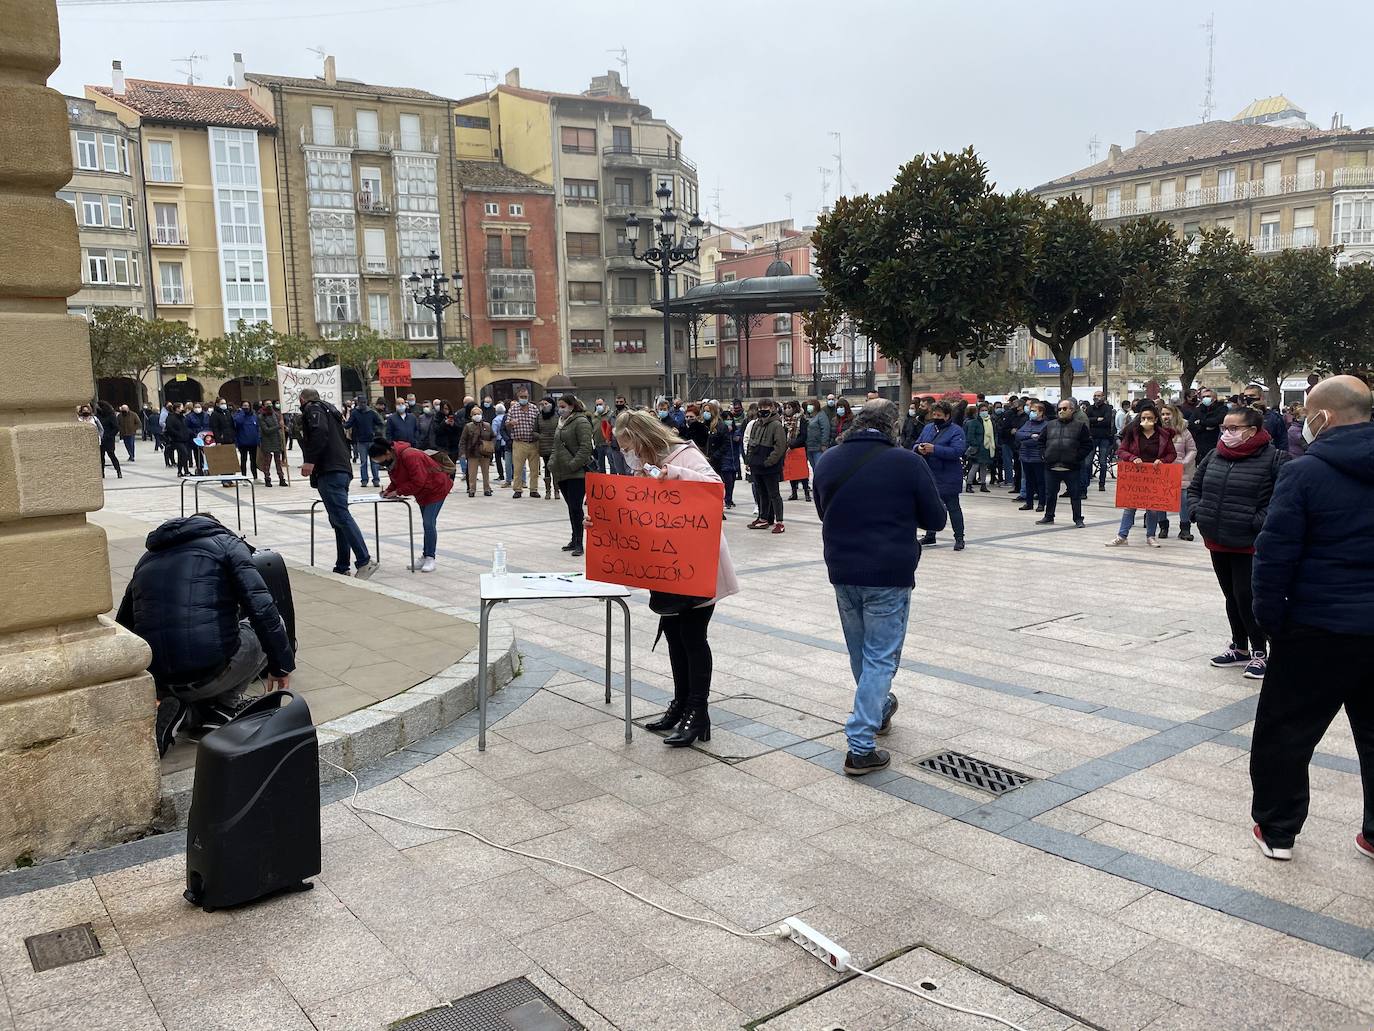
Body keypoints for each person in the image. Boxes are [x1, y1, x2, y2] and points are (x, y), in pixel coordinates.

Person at [1248, 376, 1374, 862]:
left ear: (1323, 417)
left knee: (1286, 732)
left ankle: (1278, 830)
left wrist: (1270, 620)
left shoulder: (1304, 473)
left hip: (1317, 626)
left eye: (1307, 413)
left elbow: (1273, 555)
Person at [814, 400, 946, 776]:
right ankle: (860, 745)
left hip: (842, 568)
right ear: (893, 425)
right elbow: (935, 517)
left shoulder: (828, 460)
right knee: (880, 656)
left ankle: (880, 707)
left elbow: (825, 510)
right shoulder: (906, 462)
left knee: (861, 651)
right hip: (888, 571)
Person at [608, 408, 739, 747]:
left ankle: (698, 712)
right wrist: (604, 523)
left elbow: (716, 489)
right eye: (622, 448)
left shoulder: (685, 454)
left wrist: (675, 473)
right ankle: (681, 705)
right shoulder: (638, 468)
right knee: (674, 635)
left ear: (643, 440)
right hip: (665, 565)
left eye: (628, 446)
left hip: (696, 562)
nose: (627, 454)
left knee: (694, 637)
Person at [116, 513, 294, 756]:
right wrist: (281, 665)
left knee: (198, 655)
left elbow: (124, 625)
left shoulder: (147, 558)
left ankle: (186, 713)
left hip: (160, 680)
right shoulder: (227, 545)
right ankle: (224, 707)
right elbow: (263, 610)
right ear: (216, 525)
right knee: (268, 624)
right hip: (209, 673)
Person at [1185, 405, 1286, 681]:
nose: (1226, 433)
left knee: (1247, 597)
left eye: (1233, 429)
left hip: (1249, 544)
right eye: (1223, 428)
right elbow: (1195, 487)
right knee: (1231, 596)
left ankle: (1260, 652)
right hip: (1217, 539)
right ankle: (1239, 646)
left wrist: (1256, 521)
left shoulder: (1275, 459)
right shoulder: (1216, 454)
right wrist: (1198, 512)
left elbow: (1281, 501)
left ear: (1252, 431)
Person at [299, 387, 377, 579]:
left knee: (341, 516)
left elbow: (319, 432)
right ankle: (342, 565)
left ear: (302, 400)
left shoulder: (313, 409)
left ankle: (364, 560)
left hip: (330, 470)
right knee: (337, 519)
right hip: (341, 469)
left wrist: (310, 460)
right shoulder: (331, 411)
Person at [369, 438, 452, 573]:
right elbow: (397, 480)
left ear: (387, 452)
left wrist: (398, 492)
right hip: (423, 493)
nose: (382, 464)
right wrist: (388, 491)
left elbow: (418, 480)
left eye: (381, 460)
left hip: (436, 488)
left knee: (428, 523)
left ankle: (430, 557)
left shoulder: (409, 455)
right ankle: (425, 555)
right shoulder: (393, 461)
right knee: (427, 523)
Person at [1106, 403, 1176, 548]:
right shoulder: (1133, 433)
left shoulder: (1164, 435)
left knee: (1153, 508)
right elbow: (1121, 451)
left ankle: (1151, 536)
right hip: (1136, 476)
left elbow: (1172, 454)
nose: (1146, 421)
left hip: (1155, 476)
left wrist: (1162, 460)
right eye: (1143, 418)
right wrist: (1132, 458)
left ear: (1156, 419)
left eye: (1150, 418)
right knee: (1130, 507)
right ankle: (1122, 536)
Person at [913, 401, 966, 549]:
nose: (936, 417)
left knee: (953, 507)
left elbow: (957, 451)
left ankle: (959, 538)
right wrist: (919, 448)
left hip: (948, 475)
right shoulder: (929, 428)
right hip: (930, 473)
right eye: (934, 414)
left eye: (939, 415)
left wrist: (934, 449)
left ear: (947, 416)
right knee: (930, 505)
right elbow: (916, 443)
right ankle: (930, 535)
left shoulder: (956, 431)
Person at [549, 394, 594, 554]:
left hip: (577, 473)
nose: (560, 409)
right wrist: (552, 463)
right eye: (559, 406)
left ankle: (580, 543)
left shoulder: (581, 422)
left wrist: (573, 464)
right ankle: (574, 539)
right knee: (571, 508)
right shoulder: (561, 423)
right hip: (561, 472)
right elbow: (556, 445)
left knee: (576, 508)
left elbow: (585, 448)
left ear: (572, 406)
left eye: (563, 406)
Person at [1037, 399, 1092, 527]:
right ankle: (1048, 516)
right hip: (1051, 466)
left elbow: (1088, 444)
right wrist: (1044, 455)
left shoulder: (1080, 426)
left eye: (1064, 409)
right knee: (1050, 494)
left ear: (1072, 410)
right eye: (1059, 409)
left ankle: (1078, 519)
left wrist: (1077, 457)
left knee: (1075, 494)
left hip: (1071, 467)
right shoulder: (1050, 425)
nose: (1061, 411)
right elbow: (1041, 442)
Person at [746, 399, 788, 533]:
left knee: (774, 494)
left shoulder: (776, 425)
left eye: (766, 407)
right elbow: (750, 442)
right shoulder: (757, 424)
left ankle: (779, 521)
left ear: (772, 408)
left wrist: (769, 461)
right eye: (761, 407)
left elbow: (780, 446)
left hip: (769, 465)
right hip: (757, 464)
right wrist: (749, 460)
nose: (763, 410)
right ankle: (763, 518)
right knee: (761, 493)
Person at [1157, 404, 1196, 541]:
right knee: (1161, 500)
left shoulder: (1184, 431)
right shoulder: (1157, 431)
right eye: (1163, 414)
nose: (1165, 417)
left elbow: (1192, 449)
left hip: (1180, 471)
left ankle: (1185, 529)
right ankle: (1163, 526)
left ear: (1175, 414)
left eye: (1168, 414)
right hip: (1161, 471)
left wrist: (1184, 462)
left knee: (1183, 501)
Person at [504, 388, 541, 499]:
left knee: (535, 468)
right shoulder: (513, 409)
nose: (524, 399)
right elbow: (506, 424)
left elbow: (539, 422)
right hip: (519, 442)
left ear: (528, 396)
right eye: (522, 397)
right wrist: (511, 423)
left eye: (525, 397)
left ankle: (534, 489)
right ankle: (518, 489)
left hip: (533, 442)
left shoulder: (534, 408)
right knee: (518, 468)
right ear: (518, 397)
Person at [707, 404, 742, 512]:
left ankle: (729, 499)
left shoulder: (734, 432)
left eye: (730, 419)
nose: (729, 421)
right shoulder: (718, 428)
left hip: (734, 459)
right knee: (727, 480)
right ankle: (726, 500)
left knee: (731, 481)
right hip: (724, 460)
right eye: (727, 419)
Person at [1015, 401, 1048, 513]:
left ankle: (1042, 503)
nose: (1031, 413)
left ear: (1041, 412)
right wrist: (1030, 436)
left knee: (1040, 481)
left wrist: (1027, 439)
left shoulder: (1046, 425)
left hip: (1038, 457)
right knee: (1028, 481)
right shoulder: (1028, 423)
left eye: (1034, 411)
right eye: (1031, 410)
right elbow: (1018, 434)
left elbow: (1040, 439)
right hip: (1025, 456)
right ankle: (1029, 503)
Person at [345, 397, 384, 487]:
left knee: (374, 462)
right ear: (358, 403)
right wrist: (342, 424)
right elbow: (349, 424)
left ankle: (376, 480)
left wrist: (376, 432)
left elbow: (381, 423)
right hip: (361, 441)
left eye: (364, 402)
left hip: (372, 440)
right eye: (361, 402)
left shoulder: (372, 412)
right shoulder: (355, 413)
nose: (363, 404)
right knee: (363, 462)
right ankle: (364, 480)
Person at [460, 403, 495, 497]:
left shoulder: (487, 425)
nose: (477, 416)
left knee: (486, 472)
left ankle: (487, 489)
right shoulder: (468, 426)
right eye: (475, 414)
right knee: (472, 473)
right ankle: (472, 489)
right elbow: (463, 440)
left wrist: (491, 446)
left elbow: (493, 436)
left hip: (485, 452)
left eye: (478, 414)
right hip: (472, 453)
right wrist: (462, 452)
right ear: (471, 416)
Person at [963, 401, 996, 494]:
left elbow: (993, 434)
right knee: (975, 466)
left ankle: (983, 484)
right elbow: (970, 436)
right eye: (982, 410)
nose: (984, 412)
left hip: (986, 447)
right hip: (977, 448)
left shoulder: (990, 422)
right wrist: (975, 445)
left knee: (984, 466)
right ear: (978, 411)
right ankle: (969, 484)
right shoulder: (974, 422)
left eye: (986, 410)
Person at [1086, 391, 1116, 491]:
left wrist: (1094, 421)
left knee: (1103, 462)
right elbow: (1087, 420)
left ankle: (1102, 483)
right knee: (1088, 461)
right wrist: (1097, 419)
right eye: (1095, 396)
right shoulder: (1090, 408)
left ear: (1103, 397)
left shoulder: (1108, 408)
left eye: (1098, 396)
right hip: (1092, 437)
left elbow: (1107, 421)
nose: (1096, 397)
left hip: (1104, 438)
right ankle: (1086, 482)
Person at [782, 400, 811, 502]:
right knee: (792, 472)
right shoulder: (783, 420)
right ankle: (794, 492)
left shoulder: (801, 419)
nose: (787, 410)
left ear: (794, 408)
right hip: (788, 449)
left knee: (802, 472)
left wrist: (793, 444)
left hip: (799, 448)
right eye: (786, 408)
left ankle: (806, 492)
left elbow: (803, 435)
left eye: (789, 408)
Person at [1186, 387, 1224, 456]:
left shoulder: (1222, 409)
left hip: (1215, 443)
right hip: (1200, 444)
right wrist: (1204, 428)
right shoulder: (1198, 410)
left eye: (1208, 396)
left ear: (1214, 398)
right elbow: (1191, 424)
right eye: (1203, 397)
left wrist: (1200, 422)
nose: (1205, 398)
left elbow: (1216, 420)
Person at [257, 401, 287, 487]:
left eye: (270, 404)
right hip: (267, 441)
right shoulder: (261, 416)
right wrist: (278, 426)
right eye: (267, 404)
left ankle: (281, 478)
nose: (269, 406)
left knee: (278, 461)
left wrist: (283, 427)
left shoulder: (276, 415)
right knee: (267, 462)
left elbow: (281, 427)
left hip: (276, 441)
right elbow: (266, 430)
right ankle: (267, 478)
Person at [232, 400, 260, 479]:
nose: (246, 407)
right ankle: (243, 476)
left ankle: (255, 477)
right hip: (243, 442)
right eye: (244, 405)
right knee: (243, 460)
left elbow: (257, 428)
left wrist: (258, 440)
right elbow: (238, 422)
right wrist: (242, 413)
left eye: (247, 405)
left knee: (253, 461)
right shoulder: (238, 415)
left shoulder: (254, 416)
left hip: (253, 443)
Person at [95, 400, 122, 479]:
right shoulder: (97, 416)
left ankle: (118, 471)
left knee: (112, 455)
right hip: (100, 439)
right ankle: (102, 473)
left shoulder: (111, 415)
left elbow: (116, 427)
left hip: (109, 439)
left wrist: (110, 435)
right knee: (101, 457)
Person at [164, 402, 191, 476]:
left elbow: (185, 427)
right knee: (184, 453)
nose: (183, 409)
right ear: (177, 408)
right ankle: (183, 470)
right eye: (182, 407)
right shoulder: (171, 417)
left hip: (185, 439)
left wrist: (187, 433)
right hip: (176, 440)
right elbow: (169, 428)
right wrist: (178, 434)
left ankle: (183, 471)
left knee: (181, 455)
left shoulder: (182, 417)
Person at [805, 397, 832, 472]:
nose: (808, 407)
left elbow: (825, 429)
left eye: (810, 405)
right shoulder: (809, 417)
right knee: (814, 468)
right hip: (809, 446)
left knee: (820, 468)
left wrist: (824, 444)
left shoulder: (821, 415)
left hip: (818, 447)